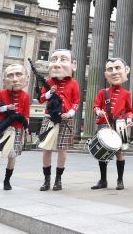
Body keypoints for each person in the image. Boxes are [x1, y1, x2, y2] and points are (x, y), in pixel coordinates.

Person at [0, 64, 30, 191]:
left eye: (18, 75)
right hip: (2, 128)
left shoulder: (25, 95)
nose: (14, 79)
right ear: (5, 80)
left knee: (12, 156)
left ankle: (7, 181)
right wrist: (6, 108)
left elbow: (26, 114)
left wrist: (27, 129)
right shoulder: (1, 93)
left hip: (17, 129)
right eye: (10, 75)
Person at [37, 49, 80, 191]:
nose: (57, 64)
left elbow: (76, 101)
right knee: (46, 149)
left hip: (65, 119)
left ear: (73, 65)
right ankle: (46, 179)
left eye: (63, 59)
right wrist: (50, 92)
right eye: (54, 59)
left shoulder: (74, 83)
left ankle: (58, 179)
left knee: (62, 149)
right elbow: (41, 99)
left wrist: (70, 113)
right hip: (50, 118)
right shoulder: (48, 82)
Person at [91, 57, 133, 190]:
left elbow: (129, 111)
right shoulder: (103, 92)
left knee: (120, 153)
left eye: (117, 68)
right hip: (104, 124)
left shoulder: (126, 93)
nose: (114, 72)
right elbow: (95, 106)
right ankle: (103, 180)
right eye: (110, 69)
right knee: (102, 153)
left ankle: (120, 180)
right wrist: (98, 112)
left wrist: (129, 119)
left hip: (120, 126)